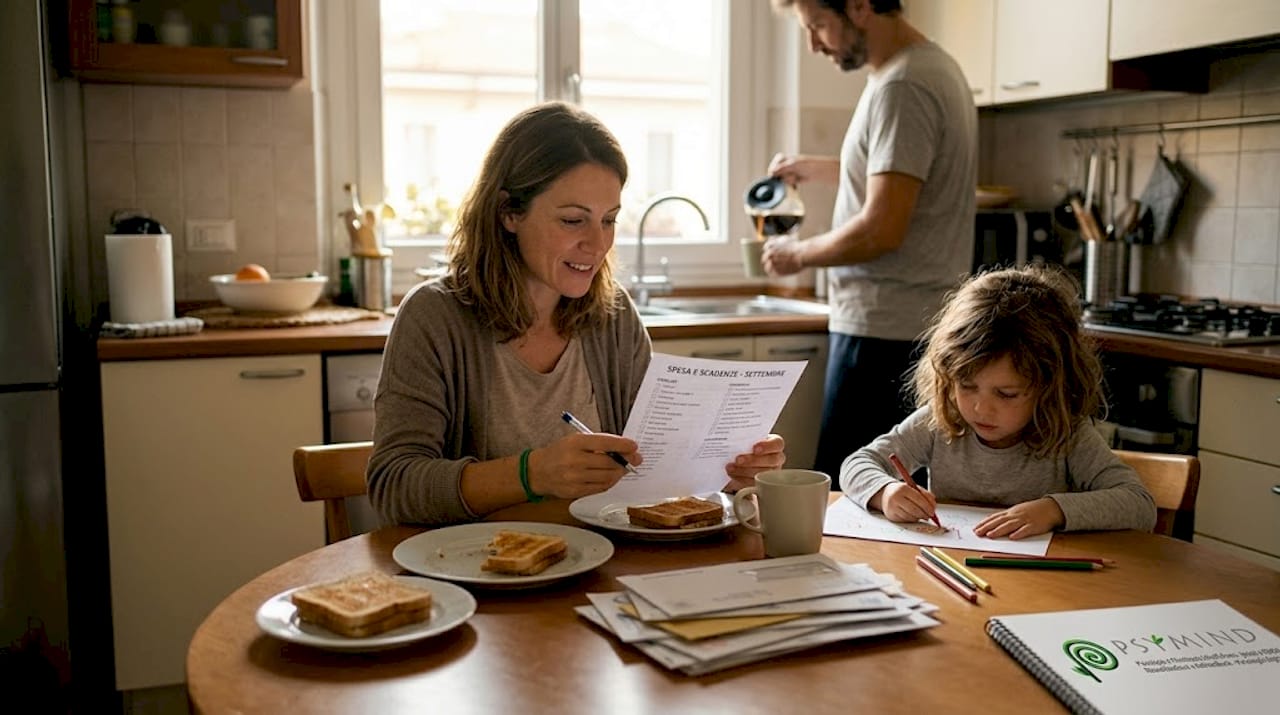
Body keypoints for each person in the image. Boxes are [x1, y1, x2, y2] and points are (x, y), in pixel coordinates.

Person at [367, 102, 786, 527]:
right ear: (508, 213)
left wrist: (729, 471)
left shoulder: (614, 317)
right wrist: (532, 474)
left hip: (598, 563)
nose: (597, 243)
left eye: (609, 220)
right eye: (572, 220)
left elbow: (649, 471)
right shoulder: (434, 316)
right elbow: (394, 486)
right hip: (472, 574)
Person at [763, 0, 977, 482]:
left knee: (849, 493)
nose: (814, 43)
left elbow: (882, 227)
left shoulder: (904, 85)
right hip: (909, 326)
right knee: (892, 498)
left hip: (884, 333)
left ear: (859, 6)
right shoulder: (929, 69)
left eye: (818, 25)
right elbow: (902, 176)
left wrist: (797, 254)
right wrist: (821, 169)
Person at [841, 266, 1157, 539]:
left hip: (1041, 585)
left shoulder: (1068, 436)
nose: (980, 409)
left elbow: (1139, 504)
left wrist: (1054, 510)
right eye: (966, 386)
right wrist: (886, 493)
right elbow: (855, 465)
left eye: (1006, 394)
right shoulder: (939, 421)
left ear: (1050, 387)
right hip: (953, 569)